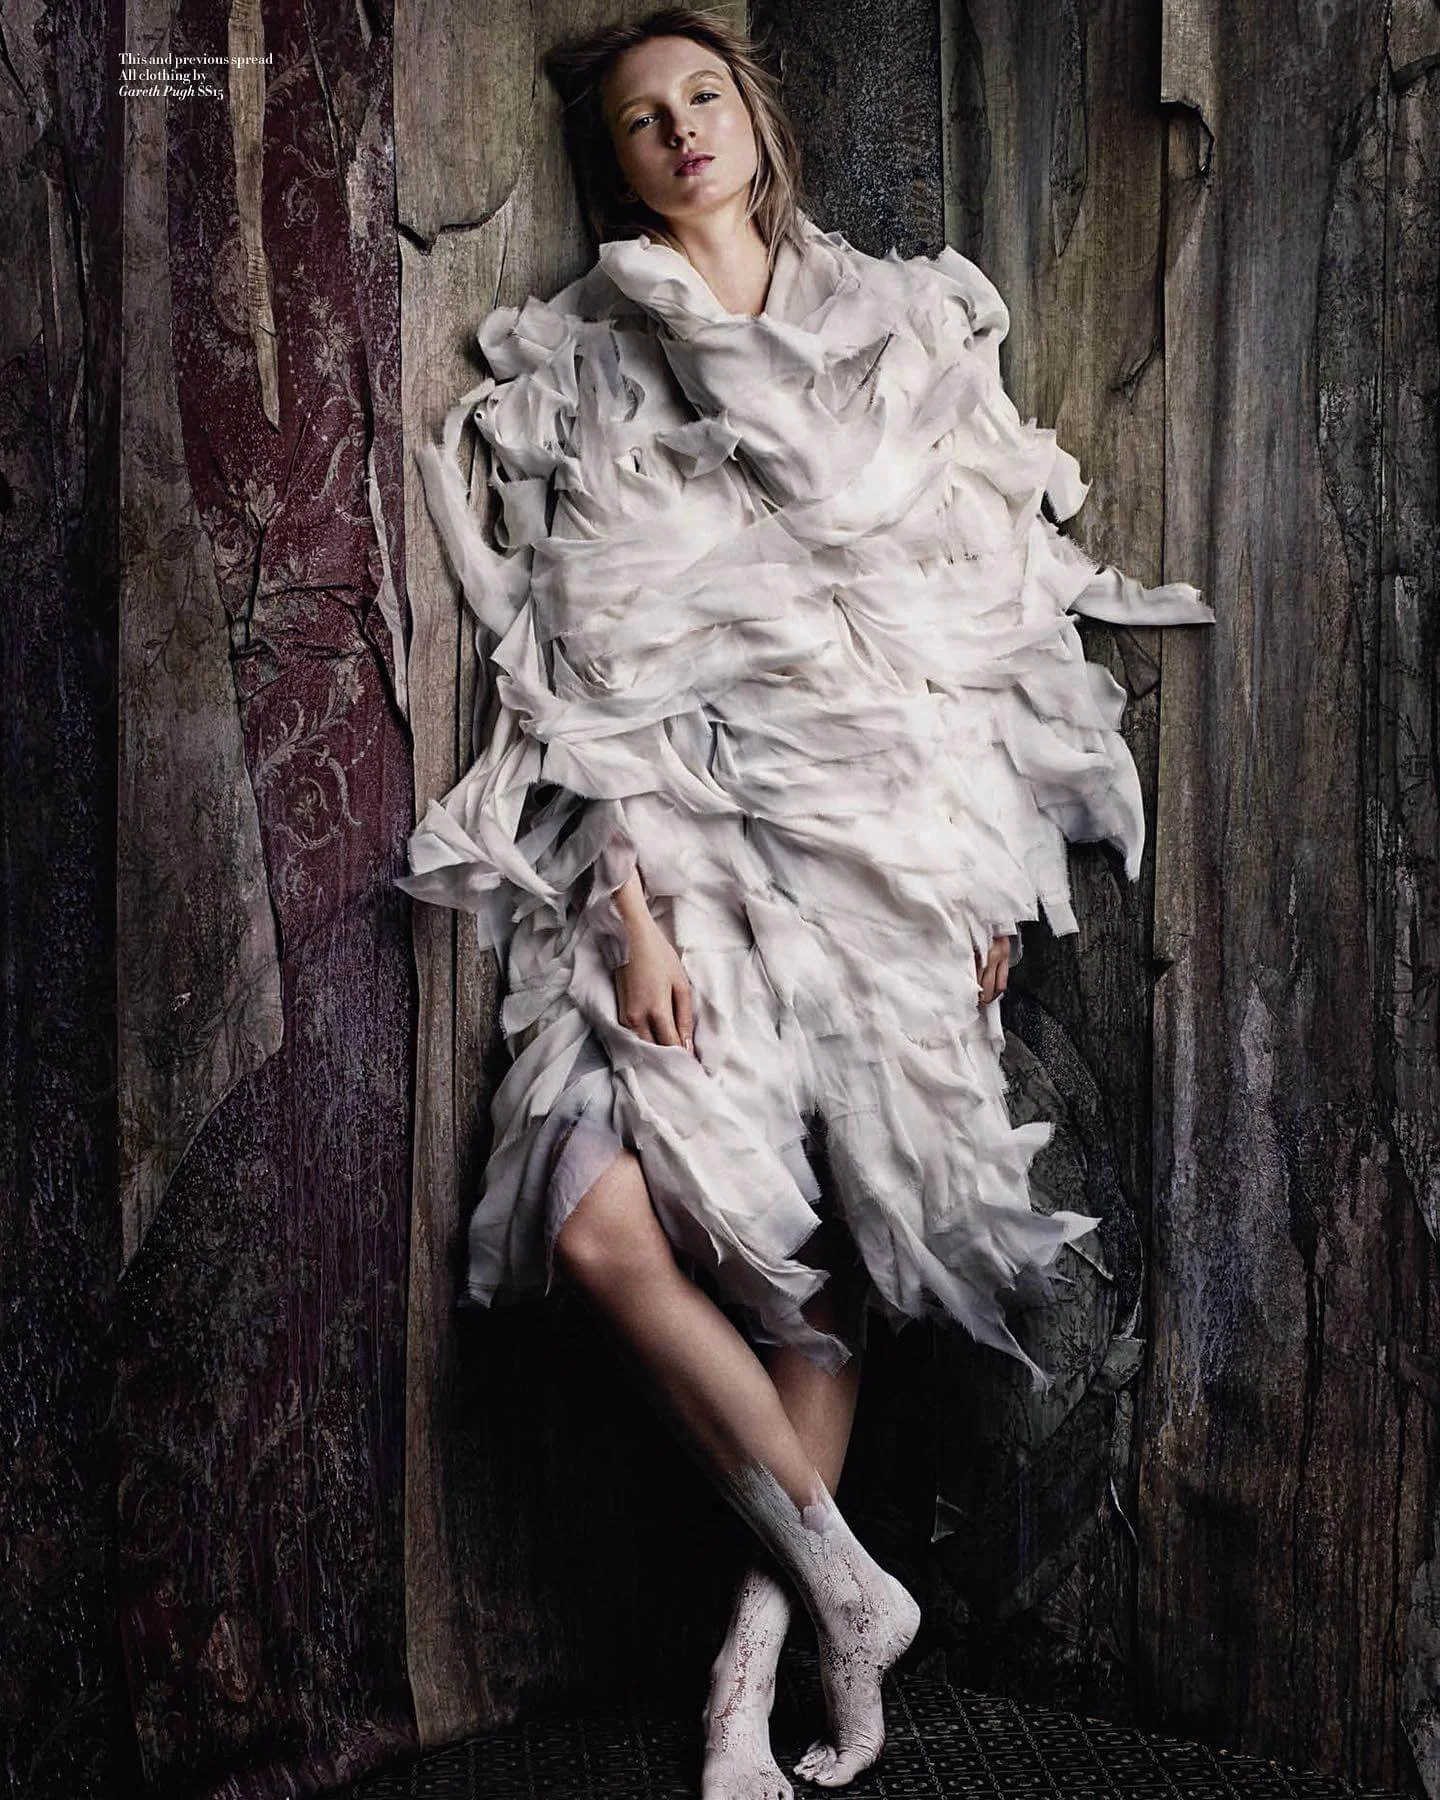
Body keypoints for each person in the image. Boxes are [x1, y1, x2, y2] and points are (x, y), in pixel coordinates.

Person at [399, 10, 1213, 1795]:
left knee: (831, 1263)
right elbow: (573, 657)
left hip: (887, 852)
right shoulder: (596, 363)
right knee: (610, 1221)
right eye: (640, 120)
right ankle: (852, 1591)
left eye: (702, 99)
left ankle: (768, 1669)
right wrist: (630, 911)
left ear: (754, 122)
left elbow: (994, 611)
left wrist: (983, 866)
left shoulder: (903, 324)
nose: (679, 133)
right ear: (615, 161)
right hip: (682, 855)